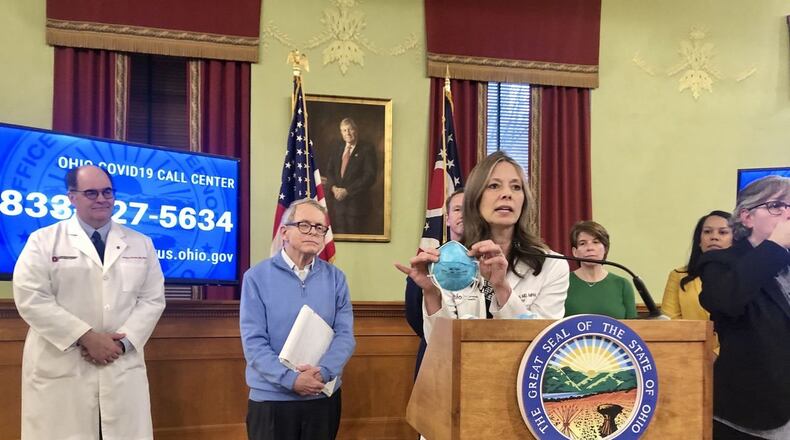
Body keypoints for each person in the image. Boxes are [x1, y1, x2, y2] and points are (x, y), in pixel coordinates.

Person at [13, 165, 166, 440]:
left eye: (107, 192)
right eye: (91, 193)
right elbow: (31, 297)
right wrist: (85, 337)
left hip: (120, 363)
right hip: (62, 367)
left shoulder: (141, 243)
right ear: (72, 197)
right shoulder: (43, 241)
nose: (101, 199)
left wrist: (120, 343)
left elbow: (152, 300)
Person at [396, 151, 569, 342]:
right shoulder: (450, 261)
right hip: (464, 370)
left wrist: (501, 288)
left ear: (524, 200)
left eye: (516, 187)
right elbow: (440, 343)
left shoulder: (552, 265)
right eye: (494, 186)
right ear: (475, 198)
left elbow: (543, 342)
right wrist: (431, 293)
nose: (507, 194)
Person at [240, 198, 355, 440]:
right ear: (284, 232)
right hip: (272, 400)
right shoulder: (256, 278)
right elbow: (254, 344)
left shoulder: (336, 279)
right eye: (304, 225)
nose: (313, 232)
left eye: (319, 228)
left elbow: (345, 336)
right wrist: (291, 379)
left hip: (321, 395)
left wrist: (323, 373)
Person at [698, 175, 790, 440]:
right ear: (747, 217)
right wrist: (773, 246)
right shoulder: (719, 263)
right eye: (777, 206)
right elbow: (725, 301)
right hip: (751, 413)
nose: (786, 215)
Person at [404, 189, 464, 376]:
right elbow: (414, 314)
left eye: (470, 209)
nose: (463, 215)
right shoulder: (426, 261)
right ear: (447, 219)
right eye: (457, 209)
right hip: (433, 352)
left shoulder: (489, 263)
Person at [662, 210, 733, 320]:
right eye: (707, 231)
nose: (714, 237)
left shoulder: (744, 275)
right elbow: (670, 323)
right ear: (699, 240)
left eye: (723, 232)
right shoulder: (678, 275)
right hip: (689, 336)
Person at [564, 221, 637, 319]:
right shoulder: (562, 283)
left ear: (605, 248)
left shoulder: (622, 284)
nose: (590, 248)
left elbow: (633, 329)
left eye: (596, 242)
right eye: (582, 243)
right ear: (575, 252)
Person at [324, 117, 377, 234]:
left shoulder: (367, 149)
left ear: (356, 130)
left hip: (357, 208)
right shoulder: (337, 148)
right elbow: (330, 171)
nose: (347, 133)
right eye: (344, 130)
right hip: (337, 207)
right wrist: (333, 188)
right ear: (341, 133)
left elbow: (370, 176)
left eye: (350, 129)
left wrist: (347, 191)